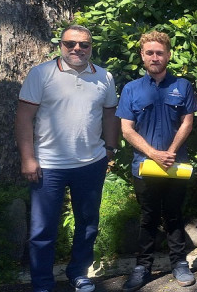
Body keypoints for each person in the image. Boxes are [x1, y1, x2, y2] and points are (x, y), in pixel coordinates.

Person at [15, 25, 119, 292]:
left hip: (90, 164)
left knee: (87, 225)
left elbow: (109, 115)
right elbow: (24, 117)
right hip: (49, 166)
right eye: (70, 43)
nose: (77, 49)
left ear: (91, 47)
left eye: (84, 45)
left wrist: (110, 149)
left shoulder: (104, 77)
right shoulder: (42, 74)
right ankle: (42, 283)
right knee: (42, 231)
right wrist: (28, 158)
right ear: (61, 45)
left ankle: (78, 273)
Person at [116, 31, 197, 291]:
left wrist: (170, 151)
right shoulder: (131, 89)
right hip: (145, 166)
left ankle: (179, 263)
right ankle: (142, 267)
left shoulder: (182, 86)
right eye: (149, 52)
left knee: (174, 215)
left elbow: (188, 122)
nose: (154, 57)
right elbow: (126, 129)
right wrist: (153, 153)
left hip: (175, 165)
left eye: (159, 52)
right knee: (148, 217)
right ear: (142, 56)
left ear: (168, 55)